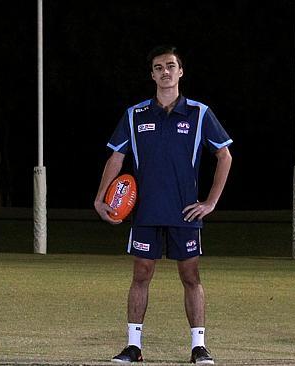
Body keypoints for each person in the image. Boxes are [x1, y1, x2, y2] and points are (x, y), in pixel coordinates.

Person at [94, 45, 232, 364]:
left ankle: (198, 347)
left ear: (180, 72)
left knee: (191, 276)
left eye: (171, 66)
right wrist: (101, 198)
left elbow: (224, 155)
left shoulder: (199, 113)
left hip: (185, 211)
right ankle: (133, 346)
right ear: (152, 74)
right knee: (141, 274)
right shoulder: (135, 114)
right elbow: (117, 156)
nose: (165, 71)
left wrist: (210, 202)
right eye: (158, 67)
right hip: (146, 211)